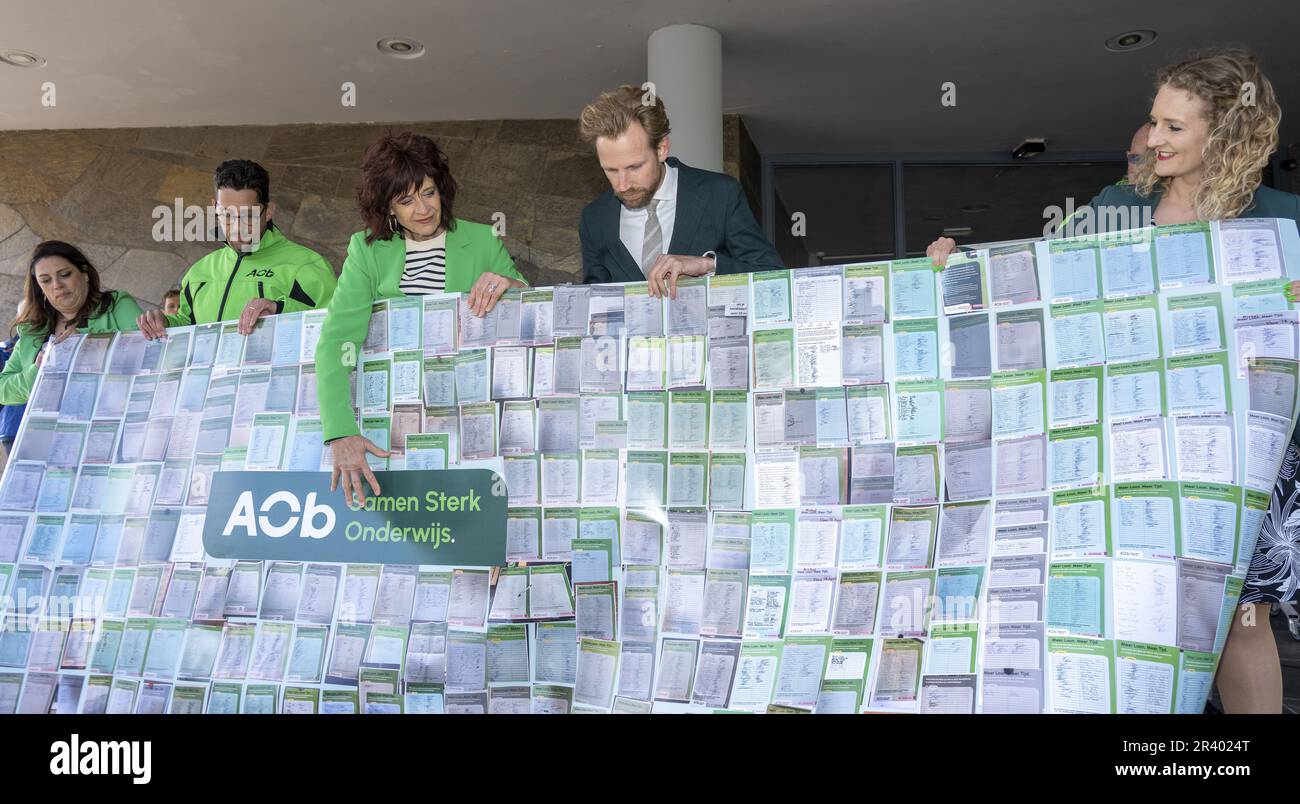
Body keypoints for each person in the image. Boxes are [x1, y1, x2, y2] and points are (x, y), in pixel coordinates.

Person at [929, 48, 1300, 713]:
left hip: (1239, 451)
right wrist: (960, 266)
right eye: (1153, 122)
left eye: (1174, 127)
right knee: (1145, 610)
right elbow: (1034, 283)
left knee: (1242, 619)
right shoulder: (1116, 210)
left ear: (1226, 132)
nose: (1153, 139)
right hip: (1133, 445)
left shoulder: (1284, 222)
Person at [316, 132, 528, 505]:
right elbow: (338, 341)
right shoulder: (366, 251)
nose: (423, 209)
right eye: (406, 200)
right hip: (394, 426)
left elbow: (530, 308)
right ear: (388, 208)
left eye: (428, 192)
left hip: (471, 417)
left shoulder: (483, 240)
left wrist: (508, 283)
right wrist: (339, 432)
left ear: (441, 188)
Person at [577, 85, 783, 296]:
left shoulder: (720, 195)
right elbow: (594, 303)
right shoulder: (594, 219)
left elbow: (773, 277)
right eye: (610, 170)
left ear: (662, 149)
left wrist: (708, 266)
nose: (622, 185)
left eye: (634, 167)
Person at [136, 159, 337, 339]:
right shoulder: (198, 272)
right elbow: (188, 324)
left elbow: (334, 323)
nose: (237, 226)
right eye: (227, 215)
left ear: (269, 211)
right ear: (215, 208)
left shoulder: (307, 264)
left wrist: (279, 309)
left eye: (249, 215)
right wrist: (165, 324)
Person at [0, 241, 145, 406]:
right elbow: (3, 390)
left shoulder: (116, 305)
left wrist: (88, 348)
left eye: (65, 274)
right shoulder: (33, 328)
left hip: (110, 419)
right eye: (46, 280)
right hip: (48, 427)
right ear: (39, 288)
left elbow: (149, 356)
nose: (57, 285)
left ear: (84, 273)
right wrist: (38, 370)